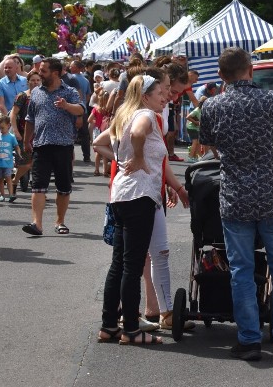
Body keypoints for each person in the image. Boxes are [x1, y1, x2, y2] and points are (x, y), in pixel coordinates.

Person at [200, 47, 273, 362]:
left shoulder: (212, 106)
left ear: (220, 75)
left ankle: (249, 340)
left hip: (236, 199)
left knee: (241, 270)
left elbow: (209, 143)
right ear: (251, 70)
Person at [93, 74, 189, 345]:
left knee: (120, 263)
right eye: (161, 92)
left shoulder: (126, 114)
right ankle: (131, 330)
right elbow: (137, 135)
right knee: (131, 266)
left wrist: (124, 160)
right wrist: (134, 157)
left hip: (122, 194)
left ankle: (109, 324)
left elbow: (99, 143)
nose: (165, 96)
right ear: (146, 95)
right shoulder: (144, 115)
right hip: (139, 196)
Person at [21, 58, 85, 236]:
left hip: (63, 145)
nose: (39, 73)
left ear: (55, 73)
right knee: (38, 186)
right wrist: (27, 141)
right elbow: (30, 119)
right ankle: (37, 224)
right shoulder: (36, 93)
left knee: (63, 187)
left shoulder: (69, 91)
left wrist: (66, 106)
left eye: (43, 71)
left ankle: (60, 222)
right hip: (41, 145)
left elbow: (80, 110)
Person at [10, 70, 41, 196]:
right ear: (28, 82)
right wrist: (16, 131)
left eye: (38, 80)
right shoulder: (22, 96)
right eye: (33, 80)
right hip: (24, 133)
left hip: (39, 134)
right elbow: (13, 114)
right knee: (27, 163)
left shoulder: (43, 95)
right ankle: (15, 180)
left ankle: (39, 192)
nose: (35, 82)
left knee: (39, 163)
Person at [0, 114, 19, 202]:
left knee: (8, 178)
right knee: (0, 180)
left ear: (8, 125)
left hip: (7, 163)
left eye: (2, 128)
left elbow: (16, 146)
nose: (0, 130)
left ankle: (10, 195)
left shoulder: (11, 137)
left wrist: (19, 153)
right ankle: (2, 195)